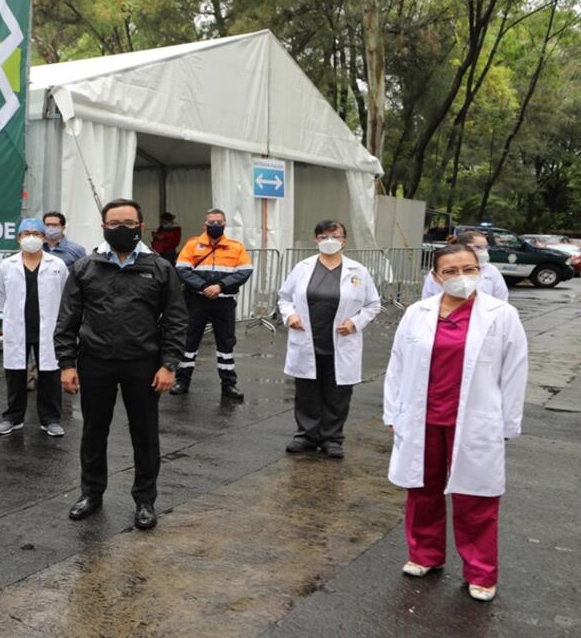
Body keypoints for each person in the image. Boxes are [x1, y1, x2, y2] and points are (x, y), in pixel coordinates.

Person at [384, 243, 528, 602]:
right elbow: (397, 365)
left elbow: (515, 372)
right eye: (450, 271)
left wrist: (507, 423)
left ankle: (481, 572)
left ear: (480, 270)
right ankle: (424, 554)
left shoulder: (501, 314)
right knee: (421, 489)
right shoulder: (417, 313)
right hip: (423, 417)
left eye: (468, 269)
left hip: (476, 419)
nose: (460, 277)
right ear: (436, 277)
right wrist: (393, 412)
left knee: (476, 496)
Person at [55, 198, 188, 530]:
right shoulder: (85, 267)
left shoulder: (160, 268)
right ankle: (91, 494)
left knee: (145, 434)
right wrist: (67, 363)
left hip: (143, 364)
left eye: (129, 223)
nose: (121, 229)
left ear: (141, 226)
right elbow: (68, 319)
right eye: (114, 223)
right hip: (95, 362)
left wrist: (169, 364)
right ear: (103, 227)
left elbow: (176, 319)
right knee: (93, 432)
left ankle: (145, 500)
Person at [277, 220, 381, 458]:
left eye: (336, 236)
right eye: (324, 236)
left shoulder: (358, 271)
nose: (330, 241)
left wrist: (355, 322)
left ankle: (332, 438)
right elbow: (284, 297)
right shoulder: (303, 267)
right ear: (316, 240)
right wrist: (290, 315)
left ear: (345, 241)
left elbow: (373, 304)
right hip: (308, 339)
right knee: (307, 391)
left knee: (337, 393)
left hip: (341, 341)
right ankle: (305, 435)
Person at [0, 218, 69, 437]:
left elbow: (66, 294)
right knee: (15, 373)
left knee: (50, 374)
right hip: (18, 328)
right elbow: (0, 294)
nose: (31, 238)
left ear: (43, 237)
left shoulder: (57, 265)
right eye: (26, 234)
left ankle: (50, 419)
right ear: (19, 238)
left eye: (36, 233)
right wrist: (11, 315)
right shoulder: (8, 265)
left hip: (48, 327)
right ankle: (13, 417)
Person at [169, 208, 252, 400]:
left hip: (224, 302)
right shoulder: (192, 245)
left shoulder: (236, 247)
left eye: (219, 222)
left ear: (225, 224)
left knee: (226, 343)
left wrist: (220, 286)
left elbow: (245, 271)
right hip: (197, 300)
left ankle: (229, 384)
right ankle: (182, 381)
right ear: (204, 225)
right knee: (189, 341)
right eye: (211, 222)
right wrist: (204, 286)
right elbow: (182, 268)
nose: (215, 225)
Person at [422, 230, 508, 301]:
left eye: (486, 247)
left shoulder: (491, 270)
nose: (484, 251)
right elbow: (428, 296)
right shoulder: (441, 268)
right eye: (479, 247)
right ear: (463, 247)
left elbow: (501, 298)